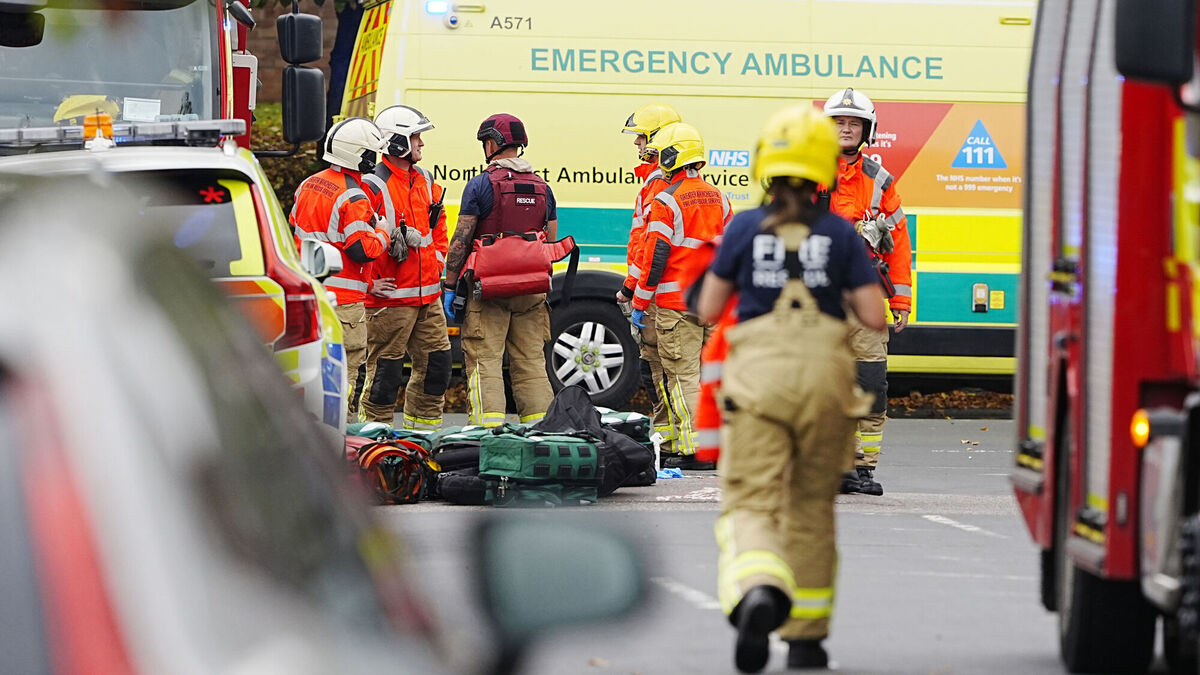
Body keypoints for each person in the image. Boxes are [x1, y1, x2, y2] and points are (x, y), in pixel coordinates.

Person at [696, 105, 884, 672]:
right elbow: (873, 316)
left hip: (759, 384)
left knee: (752, 502)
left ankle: (759, 587)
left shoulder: (745, 228)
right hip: (825, 385)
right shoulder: (841, 233)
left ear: (766, 164)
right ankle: (807, 641)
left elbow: (709, 308)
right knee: (811, 510)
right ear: (823, 166)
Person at [821, 87, 913, 496]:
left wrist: (901, 300)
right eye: (838, 122)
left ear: (867, 130)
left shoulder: (880, 180)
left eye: (853, 123)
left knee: (871, 383)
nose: (845, 129)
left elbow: (899, 243)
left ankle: (863, 469)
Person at [441, 113, 558, 426]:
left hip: (488, 289)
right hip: (532, 290)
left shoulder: (480, 185)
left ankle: (487, 432)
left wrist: (450, 285)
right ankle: (540, 431)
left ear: (492, 144)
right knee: (531, 362)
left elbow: (461, 239)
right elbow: (550, 240)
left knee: (485, 361)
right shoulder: (543, 187)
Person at [630, 122, 731, 470]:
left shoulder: (666, 200)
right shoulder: (720, 197)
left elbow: (655, 256)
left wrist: (639, 303)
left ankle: (697, 450)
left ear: (672, 157)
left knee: (682, 376)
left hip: (676, 304)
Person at [290, 117, 391, 423]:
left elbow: (298, 229)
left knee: (312, 368)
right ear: (359, 154)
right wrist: (383, 233)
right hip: (344, 305)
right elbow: (361, 249)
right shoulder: (355, 196)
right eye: (371, 153)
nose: (375, 159)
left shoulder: (309, 184)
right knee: (348, 370)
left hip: (309, 293)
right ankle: (342, 430)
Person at [358, 104, 452, 430]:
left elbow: (438, 228)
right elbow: (355, 239)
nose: (421, 143)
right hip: (390, 301)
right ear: (397, 142)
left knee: (437, 368)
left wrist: (437, 263)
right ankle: (374, 441)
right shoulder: (372, 185)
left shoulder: (424, 179)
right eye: (416, 137)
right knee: (384, 379)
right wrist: (370, 283)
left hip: (428, 297)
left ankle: (423, 438)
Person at [617, 102, 681, 454]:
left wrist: (632, 288)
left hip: (656, 293)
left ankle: (671, 442)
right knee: (661, 368)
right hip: (658, 289)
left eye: (641, 137)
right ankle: (670, 438)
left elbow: (649, 244)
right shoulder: (659, 180)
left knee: (658, 368)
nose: (636, 144)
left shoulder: (658, 184)